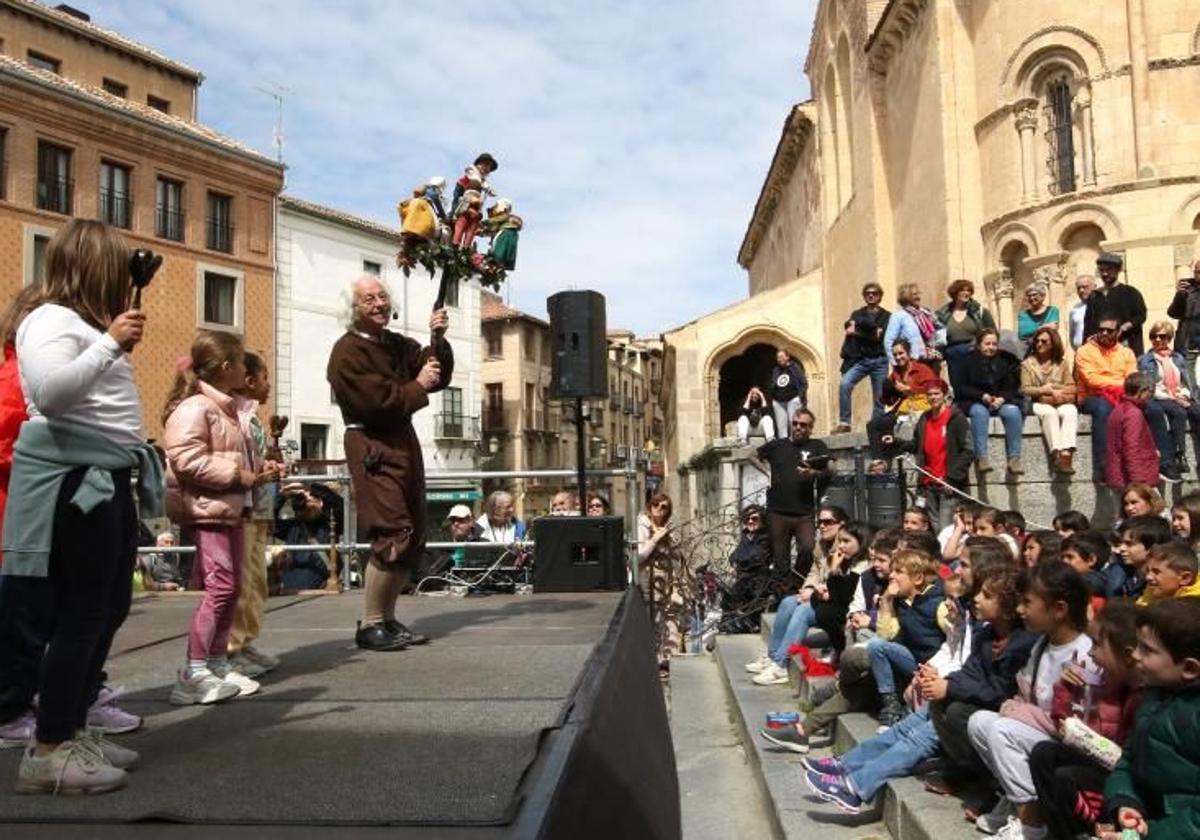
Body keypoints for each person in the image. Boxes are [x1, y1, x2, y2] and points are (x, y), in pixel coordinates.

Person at [4, 219, 163, 794]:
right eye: (117, 267)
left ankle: (68, 729)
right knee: (81, 614)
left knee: (107, 607)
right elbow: (48, 393)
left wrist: (107, 341)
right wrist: (111, 344)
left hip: (103, 476)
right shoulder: (50, 320)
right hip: (78, 481)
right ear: (94, 267)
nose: (125, 279)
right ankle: (48, 748)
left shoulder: (80, 324)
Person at [803, 563, 1037, 815]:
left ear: (1010, 608)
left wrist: (949, 687)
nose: (977, 599)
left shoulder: (1021, 644)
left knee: (920, 737)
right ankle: (846, 765)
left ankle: (855, 787)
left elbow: (997, 691)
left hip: (981, 718)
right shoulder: (988, 634)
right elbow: (970, 671)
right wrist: (940, 680)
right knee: (905, 727)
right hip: (960, 701)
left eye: (987, 595)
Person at [327, 274, 453, 651]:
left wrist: (439, 339)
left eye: (382, 296)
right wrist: (417, 385)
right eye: (369, 299)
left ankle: (387, 616)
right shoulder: (346, 352)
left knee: (412, 532)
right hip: (372, 442)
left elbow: (435, 371)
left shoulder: (395, 343)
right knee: (391, 531)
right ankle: (371, 623)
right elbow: (374, 403)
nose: (379, 303)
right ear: (353, 309)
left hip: (401, 439)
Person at [164, 332, 275, 705]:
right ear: (227, 367)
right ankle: (194, 670)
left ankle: (214, 662)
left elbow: (225, 455)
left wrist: (258, 469)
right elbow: (184, 457)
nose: (247, 370)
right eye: (243, 363)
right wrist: (236, 474)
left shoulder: (226, 409)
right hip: (209, 511)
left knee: (232, 589)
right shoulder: (198, 408)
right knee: (222, 588)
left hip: (229, 509)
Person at [966, 561, 1095, 836]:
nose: (1020, 610)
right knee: (979, 722)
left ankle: (1032, 822)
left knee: (1003, 730)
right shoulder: (1043, 644)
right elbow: (1026, 693)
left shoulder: (1084, 656)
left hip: (1065, 745)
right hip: (1038, 729)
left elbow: (1077, 726)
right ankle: (1017, 801)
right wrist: (1018, 709)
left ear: (1059, 609)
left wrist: (1019, 713)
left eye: (1027, 602)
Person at [1025, 601, 1143, 840]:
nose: (1091, 653)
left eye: (1098, 645)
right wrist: (1067, 689)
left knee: (1067, 778)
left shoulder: (1141, 697)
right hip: (1104, 762)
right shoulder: (1106, 681)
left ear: (1127, 655)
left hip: (1125, 779)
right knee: (1044, 753)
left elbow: (1128, 759)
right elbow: (1063, 723)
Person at [1102, 598, 1200, 840]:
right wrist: (1127, 801)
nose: (1134, 654)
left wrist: (1154, 834)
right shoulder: (1154, 695)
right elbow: (1130, 759)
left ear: (1189, 668)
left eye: (1147, 649)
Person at [227, 351, 283, 679]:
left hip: (259, 507)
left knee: (256, 581)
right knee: (243, 580)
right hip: (245, 507)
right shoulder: (239, 416)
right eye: (264, 378)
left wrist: (267, 467)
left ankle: (245, 642)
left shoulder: (253, 416)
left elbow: (255, 459)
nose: (269, 384)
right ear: (249, 382)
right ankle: (231, 648)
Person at [866, 549, 950, 728]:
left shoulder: (938, 603)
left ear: (918, 579)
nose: (892, 576)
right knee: (876, 646)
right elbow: (885, 635)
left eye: (899, 572)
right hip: (912, 658)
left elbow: (953, 640)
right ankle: (891, 705)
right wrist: (886, 601)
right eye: (892, 570)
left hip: (935, 665)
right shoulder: (899, 601)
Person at [749, 409, 833, 583]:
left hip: (805, 513)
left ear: (810, 428)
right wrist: (766, 471)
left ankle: (794, 584)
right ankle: (782, 594)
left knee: (807, 548)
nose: (798, 427)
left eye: (803, 425)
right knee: (780, 559)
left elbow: (832, 468)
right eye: (795, 423)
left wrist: (813, 473)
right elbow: (752, 455)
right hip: (777, 512)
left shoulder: (817, 446)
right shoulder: (777, 445)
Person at [1076, 315, 1138, 481]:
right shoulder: (1084, 351)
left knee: (1153, 408)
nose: (1104, 333)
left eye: (1109, 330)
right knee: (1104, 408)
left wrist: (1121, 386)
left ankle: (1161, 461)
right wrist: (1120, 383)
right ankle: (1103, 466)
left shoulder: (1127, 353)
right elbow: (1092, 380)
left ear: (1118, 333)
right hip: (1091, 397)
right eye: (1101, 329)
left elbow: (1133, 380)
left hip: (1122, 395)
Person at [1139, 320, 1200, 482]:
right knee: (1178, 412)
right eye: (1154, 336)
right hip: (1161, 396)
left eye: (1163, 336)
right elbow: (1150, 387)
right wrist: (1173, 398)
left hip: (1180, 395)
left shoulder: (1178, 358)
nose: (1158, 340)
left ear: (1170, 338)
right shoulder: (1146, 360)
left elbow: (1186, 382)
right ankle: (1178, 455)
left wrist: (1185, 395)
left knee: (1197, 412)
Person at [958, 328, 1024, 476]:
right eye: (987, 344)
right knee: (979, 413)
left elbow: (1012, 386)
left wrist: (1002, 398)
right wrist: (983, 396)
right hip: (976, 401)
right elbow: (962, 387)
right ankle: (981, 457)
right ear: (979, 344)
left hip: (999, 401)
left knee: (1013, 412)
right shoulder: (967, 361)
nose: (991, 347)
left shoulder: (1006, 360)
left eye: (994, 344)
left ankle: (1014, 458)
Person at [867, 338, 939, 470]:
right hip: (901, 411)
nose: (898, 357)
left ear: (909, 353)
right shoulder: (895, 373)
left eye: (901, 353)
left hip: (919, 410)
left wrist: (909, 390)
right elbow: (888, 401)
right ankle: (879, 462)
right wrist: (888, 390)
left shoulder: (922, 369)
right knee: (874, 424)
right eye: (895, 355)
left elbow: (934, 390)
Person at [636, 493, 691, 664]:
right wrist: (655, 538)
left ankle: (666, 657)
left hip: (667, 579)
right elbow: (639, 556)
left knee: (670, 616)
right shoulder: (643, 525)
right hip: (648, 579)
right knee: (652, 618)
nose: (659, 509)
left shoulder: (669, 527)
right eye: (656, 505)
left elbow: (676, 556)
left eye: (664, 507)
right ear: (649, 506)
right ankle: (650, 659)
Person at [908, 381, 972, 524]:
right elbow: (915, 445)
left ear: (944, 395)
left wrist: (952, 478)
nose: (933, 397)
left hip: (948, 486)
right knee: (934, 530)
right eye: (929, 394)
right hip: (928, 486)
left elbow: (968, 450)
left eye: (937, 393)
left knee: (946, 530)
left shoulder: (956, 418)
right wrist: (895, 442)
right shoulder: (924, 419)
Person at [834, 282, 890, 433]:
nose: (871, 295)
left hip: (880, 360)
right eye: (867, 293)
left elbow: (879, 338)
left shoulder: (886, 316)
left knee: (879, 397)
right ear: (864, 296)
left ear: (880, 296)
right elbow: (850, 329)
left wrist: (858, 331)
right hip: (861, 360)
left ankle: (876, 425)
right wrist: (870, 331)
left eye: (874, 293)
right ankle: (845, 423)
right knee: (845, 384)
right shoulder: (857, 313)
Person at [1020, 325, 1077, 474]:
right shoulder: (1027, 364)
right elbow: (1025, 388)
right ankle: (1056, 453)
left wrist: (1056, 392)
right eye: (1037, 341)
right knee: (1050, 413)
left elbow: (1071, 386)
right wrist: (1044, 390)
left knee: (1070, 410)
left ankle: (1066, 454)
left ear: (1053, 343)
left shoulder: (1062, 363)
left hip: (1059, 400)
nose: (1039, 344)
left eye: (1044, 341)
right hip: (1038, 402)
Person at [273, 483, 342, 591]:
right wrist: (282, 497)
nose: (306, 504)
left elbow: (338, 504)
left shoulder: (328, 524)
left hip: (319, 596)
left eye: (310, 500)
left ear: (321, 503)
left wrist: (309, 488)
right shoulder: (292, 527)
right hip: (290, 594)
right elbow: (267, 522)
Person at [935, 279, 996, 395]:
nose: (966, 293)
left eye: (969, 291)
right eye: (962, 290)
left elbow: (992, 331)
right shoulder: (943, 314)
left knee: (977, 384)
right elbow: (937, 335)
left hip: (974, 352)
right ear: (955, 293)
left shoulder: (979, 311)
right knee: (958, 387)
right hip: (953, 355)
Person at [1105, 372, 1161, 491]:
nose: (1150, 397)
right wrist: (1138, 482)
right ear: (1142, 390)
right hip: (1136, 480)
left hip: (1120, 478)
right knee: (1159, 509)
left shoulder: (1118, 410)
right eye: (1150, 393)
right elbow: (1131, 449)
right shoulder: (1133, 414)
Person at [1083, 252, 1147, 356]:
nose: (1105, 274)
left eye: (1109, 269)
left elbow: (1141, 316)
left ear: (1118, 270)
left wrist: (1125, 327)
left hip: (1125, 348)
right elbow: (1088, 325)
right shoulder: (1094, 296)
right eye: (1102, 270)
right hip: (1099, 351)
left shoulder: (1130, 292)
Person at [723, 505, 772, 633]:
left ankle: (750, 624)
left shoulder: (766, 538)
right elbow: (735, 555)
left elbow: (756, 557)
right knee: (728, 595)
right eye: (746, 519)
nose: (750, 522)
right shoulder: (746, 537)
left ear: (762, 520)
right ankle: (729, 625)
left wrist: (740, 561)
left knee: (753, 598)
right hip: (744, 578)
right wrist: (734, 563)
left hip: (759, 579)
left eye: (754, 519)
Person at [884, 282, 937, 365]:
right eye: (914, 294)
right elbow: (888, 341)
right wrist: (895, 362)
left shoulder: (925, 313)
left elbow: (935, 332)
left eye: (918, 294)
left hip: (929, 359)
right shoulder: (898, 316)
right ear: (906, 296)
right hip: (911, 361)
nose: (918, 297)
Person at [1166, 259, 1200, 371]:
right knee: (1187, 382)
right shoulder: (1188, 290)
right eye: (1197, 272)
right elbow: (1173, 313)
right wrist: (1180, 295)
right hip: (1188, 346)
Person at [768, 349, 807, 438]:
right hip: (778, 402)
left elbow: (803, 383)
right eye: (778, 357)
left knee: (793, 423)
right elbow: (773, 384)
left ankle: (796, 444)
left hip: (792, 399)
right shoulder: (776, 370)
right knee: (781, 427)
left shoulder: (794, 367)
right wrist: (773, 397)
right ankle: (784, 447)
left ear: (787, 357)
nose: (780, 359)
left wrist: (799, 397)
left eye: (782, 356)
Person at [1016, 283, 1059, 352]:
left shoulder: (1053, 311)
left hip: (1050, 351)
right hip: (1029, 351)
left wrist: (1033, 332)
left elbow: (1053, 329)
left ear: (1043, 296)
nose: (1031, 298)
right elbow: (1023, 334)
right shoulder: (1023, 315)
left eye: (1034, 294)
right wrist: (1042, 327)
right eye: (1029, 296)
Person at [1069, 275, 1095, 350]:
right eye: (1078, 288)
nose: (1081, 290)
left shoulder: (1102, 305)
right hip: (1080, 352)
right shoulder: (1075, 309)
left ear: (1094, 287)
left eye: (1085, 287)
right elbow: (1072, 334)